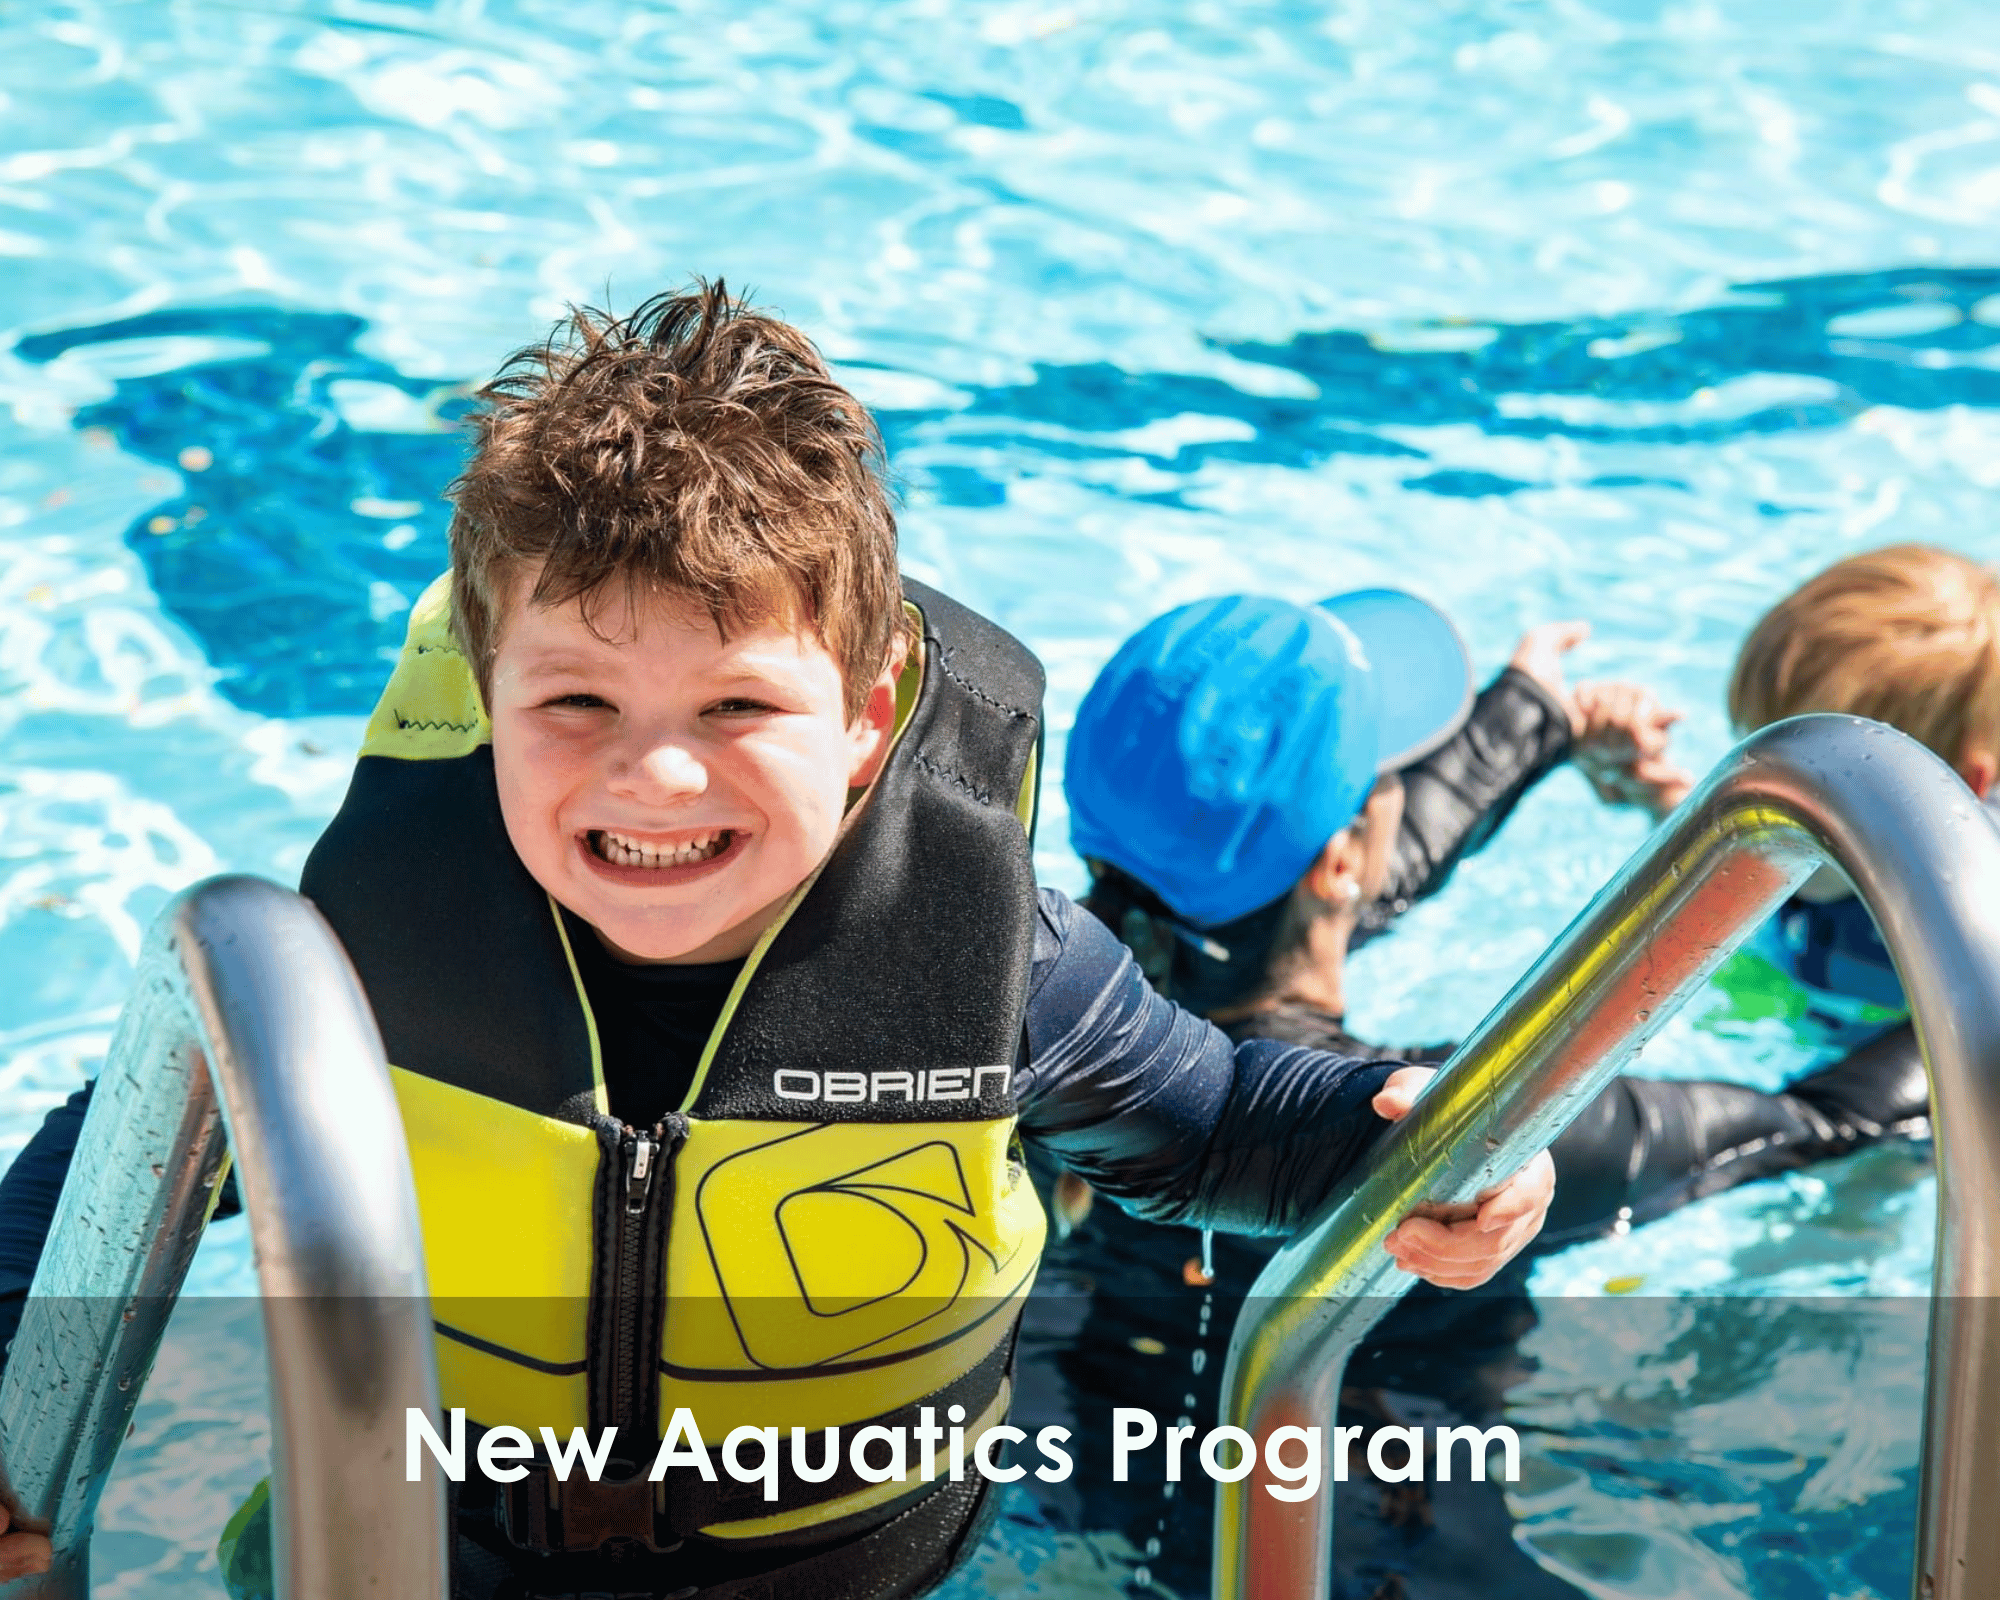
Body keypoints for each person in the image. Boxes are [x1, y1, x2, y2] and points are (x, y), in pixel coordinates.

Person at [0, 284, 1553, 1600]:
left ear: (867, 719)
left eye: (737, 707)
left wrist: (1428, 1136)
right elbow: (112, 1167)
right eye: (575, 706)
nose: (654, 777)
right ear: (489, 701)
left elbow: (1214, 1126)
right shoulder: (357, 960)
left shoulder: (984, 956)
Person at [1031, 589, 1932, 1598]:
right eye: (1387, 775)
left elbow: (1345, 883)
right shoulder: (1435, 1119)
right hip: (1386, 1541)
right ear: (1337, 861)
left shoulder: (1066, 1025)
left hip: (1093, 1480)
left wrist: (1534, 714)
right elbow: (1820, 1122)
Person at [1617, 543, 1999, 1055]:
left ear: (1957, 794)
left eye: (1813, 791)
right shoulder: (1792, 835)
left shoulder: (1978, 926)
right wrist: (1657, 795)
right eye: (1753, 749)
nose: (1770, 802)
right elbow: (1731, 856)